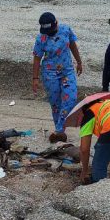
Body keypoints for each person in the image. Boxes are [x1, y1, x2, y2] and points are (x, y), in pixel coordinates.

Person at [32, 12, 82, 142]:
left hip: (67, 71)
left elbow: (72, 45)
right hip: (50, 74)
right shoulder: (41, 38)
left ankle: (59, 129)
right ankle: (59, 132)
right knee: (56, 104)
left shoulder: (66, 30)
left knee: (71, 98)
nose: (50, 33)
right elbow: (37, 58)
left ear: (56, 23)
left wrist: (79, 61)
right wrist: (35, 78)